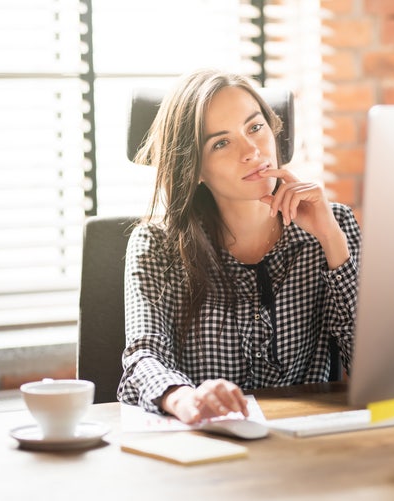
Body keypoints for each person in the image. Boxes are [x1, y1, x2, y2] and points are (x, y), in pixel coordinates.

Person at [117, 69, 361, 425]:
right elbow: (143, 356)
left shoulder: (332, 225)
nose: (252, 151)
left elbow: (374, 365)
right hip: (210, 443)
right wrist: (186, 399)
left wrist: (331, 239)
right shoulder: (156, 245)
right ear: (195, 167)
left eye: (255, 127)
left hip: (307, 445)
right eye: (221, 142)